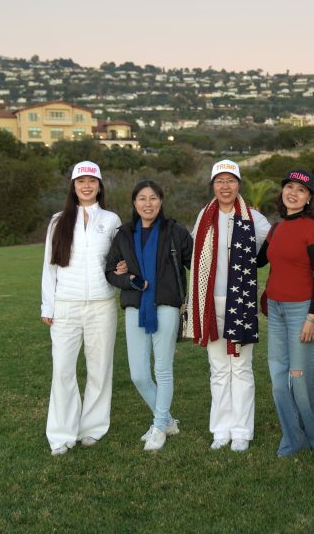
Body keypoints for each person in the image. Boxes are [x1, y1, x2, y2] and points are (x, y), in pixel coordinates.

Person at [186, 159, 271, 452]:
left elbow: (272, 246)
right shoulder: (204, 216)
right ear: (213, 185)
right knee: (219, 368)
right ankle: (221, 429)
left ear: (239, 184)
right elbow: (194, 254)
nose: (225, 186)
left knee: (242, 368)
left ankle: (242, 431)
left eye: (231, 181)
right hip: (210, 304)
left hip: (241, 303)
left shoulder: (254, 219)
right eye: (220, 181)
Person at [41, 161, 123, 456]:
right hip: (66, 305)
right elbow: (49, 267)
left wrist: (122, 270)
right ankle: (61, 434)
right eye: (81, 182)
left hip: (102, 305)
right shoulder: (58, 221)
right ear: (73, 187)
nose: (86, 186)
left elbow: (118, 259)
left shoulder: (111, 220)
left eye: (92, 182)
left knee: (99, 369)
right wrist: (48, 305)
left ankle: (92, 428)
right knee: (63, 369)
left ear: (99, 186)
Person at [104, 180, 193, 451]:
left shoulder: (175, 231)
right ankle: (167, 421)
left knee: (162, 370)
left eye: (153, 198)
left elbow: (197, 261)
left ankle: (159, 426)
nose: (148, 203)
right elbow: (110, 272)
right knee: (139, 375)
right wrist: (128, 279)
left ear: (161, 201)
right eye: (142, 198)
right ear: (134, 203)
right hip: (135, 307)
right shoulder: (124, 234)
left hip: (166, 307)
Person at [256, 169, 314, 456]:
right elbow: (257, 261)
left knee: (302, 379)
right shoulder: (276, 229)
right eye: (289, 187)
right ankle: (292, 438)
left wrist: (312, 317)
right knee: (279, 382)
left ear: (309, 198)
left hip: (302, 312)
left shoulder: (311, 229)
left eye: (301, 190)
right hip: (276, 311)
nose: (293, 193)